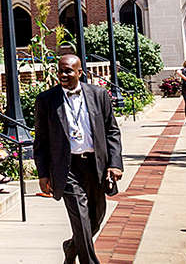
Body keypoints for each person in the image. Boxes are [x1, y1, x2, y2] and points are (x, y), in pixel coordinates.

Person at [34, 55, 123, 264]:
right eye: (60, 71)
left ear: (80, 72)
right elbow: (41, 141)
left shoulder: (99, 95)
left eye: (68, 71)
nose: (63, 75)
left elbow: (112, 131)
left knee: (95, 219)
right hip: (67, 167)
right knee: (80, 219)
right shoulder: (46, 100)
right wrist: (43, 173)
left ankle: (71, 246)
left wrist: (115, 163)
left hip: (95, 166)